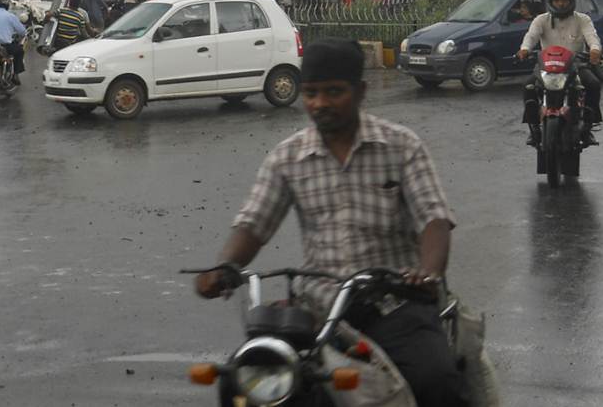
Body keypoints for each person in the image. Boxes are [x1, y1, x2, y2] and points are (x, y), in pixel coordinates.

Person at [194, 39, 466, 407]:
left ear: (360, 92)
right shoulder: (287, 157)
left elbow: (434, 219)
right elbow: (253, 224)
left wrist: (428, 274)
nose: (319, 103)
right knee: (245, 380)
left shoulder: (402, 146)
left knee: (435, 382)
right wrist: (224, 267)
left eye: (333, 92)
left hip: (393, 302)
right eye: (311, 93)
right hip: (318, 309)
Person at [517, 0, 603, 147]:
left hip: (575, 65)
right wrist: (525, 49)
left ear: (571, 1)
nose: (561, 3)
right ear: (550, 2)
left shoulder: (582, 19)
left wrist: (594, 50)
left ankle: (588, 126)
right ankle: (534, 128)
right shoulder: (541, 20)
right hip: (546, 66)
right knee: (528, 86)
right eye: (557, 0)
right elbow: (531, 36)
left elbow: (592, 37)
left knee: (593, 84)